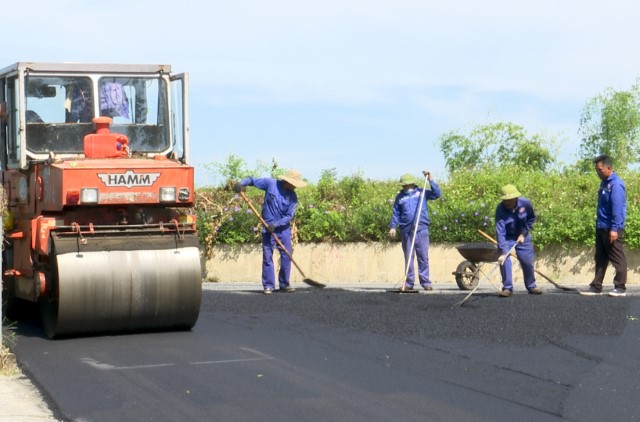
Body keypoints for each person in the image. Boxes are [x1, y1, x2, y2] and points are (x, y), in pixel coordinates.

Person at [234, 170, 307, 295]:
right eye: (293, 183)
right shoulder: (270, 184)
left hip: (283, 229)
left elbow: (289, 216)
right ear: (287, 181)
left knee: (286, 255)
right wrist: (241, 184)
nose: (295, 186)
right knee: (267, 257)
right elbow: (252, 180)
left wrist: (276, 225)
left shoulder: (293, 197)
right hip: (267, 227)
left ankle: (284, 284)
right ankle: (268, 285)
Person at [580, 155, 627, 297]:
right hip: (601, 226)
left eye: (599, 170)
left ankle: (620, 287)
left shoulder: (616, 184)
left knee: (617, 257)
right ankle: (596, 286)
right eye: (596, 170)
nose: (597, 172)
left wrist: (615, 229)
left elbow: (617, 208)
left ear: (609, 168)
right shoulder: (604, 183)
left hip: (611, 228)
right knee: (600, 257)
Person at [389, 171, 441, 290]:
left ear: (411, 184)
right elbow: (396, 213)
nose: (403, 187)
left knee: (423, 256)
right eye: (402, 185)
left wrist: (430, 180)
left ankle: (426, 282)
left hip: (421, 229)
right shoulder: (400, 197)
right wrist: (393, 226)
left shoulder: (422, 193)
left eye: (405, 185)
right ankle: (409, 283)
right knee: (409, 257)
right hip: (406, 230)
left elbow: (437, 194)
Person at [495, 184, 541, 297]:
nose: (507, 203)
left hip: (522, 236)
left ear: (515, 198)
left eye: (510, 200)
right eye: (505, 200)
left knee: (527, 261)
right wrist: (502, 251)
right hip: (507, 238)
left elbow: (531, 218)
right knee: (504, 260)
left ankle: (531, 286)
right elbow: (500, 231)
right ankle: (507, 288)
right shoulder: (500, 209)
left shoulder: (525, 203)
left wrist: (524, 233)